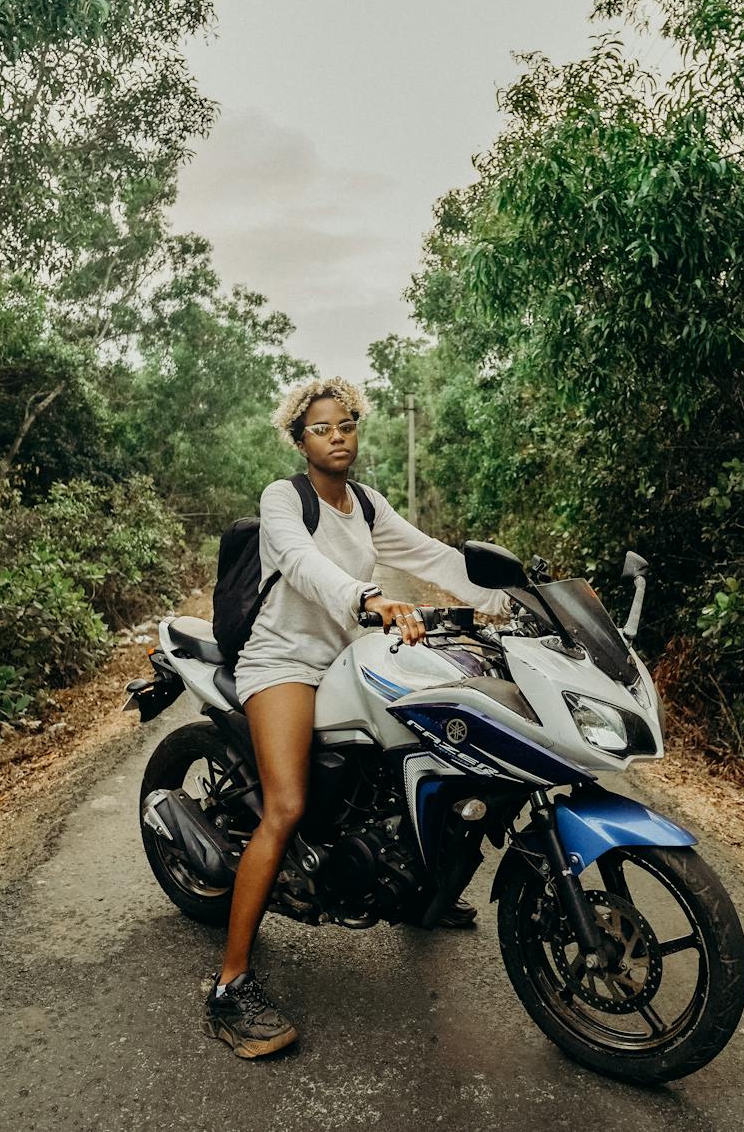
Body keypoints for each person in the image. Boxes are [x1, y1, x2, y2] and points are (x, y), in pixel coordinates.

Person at [204, 376, 508, 1059]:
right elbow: (304, 565)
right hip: (283, 660)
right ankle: (229, 987)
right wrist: (369, 598)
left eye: (346, 423)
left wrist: (510, 599)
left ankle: (416, 886)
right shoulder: (285, 499)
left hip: (347, 654)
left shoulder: (368, 503)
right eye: (322, 427)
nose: (337, 435)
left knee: (419, 747)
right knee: (284, 805)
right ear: (299, 439)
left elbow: (433, 556)